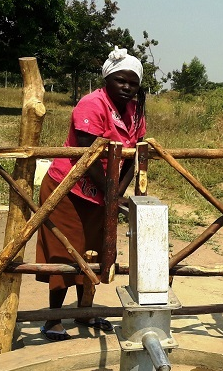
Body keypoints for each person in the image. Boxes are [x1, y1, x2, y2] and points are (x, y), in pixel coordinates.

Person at [35, 47, 146, 341]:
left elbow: (135, 154)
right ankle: (53, 319)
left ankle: (85, 310)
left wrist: (117, 193)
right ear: (107, 79)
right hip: (68, 190)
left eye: (133, 83)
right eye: (121, 80)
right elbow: (87, 156)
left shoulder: (135, 112)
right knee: (65, 252)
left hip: (103, 193)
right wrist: (111, 193)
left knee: (94, 251)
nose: (127, 87)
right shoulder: (91, 104)